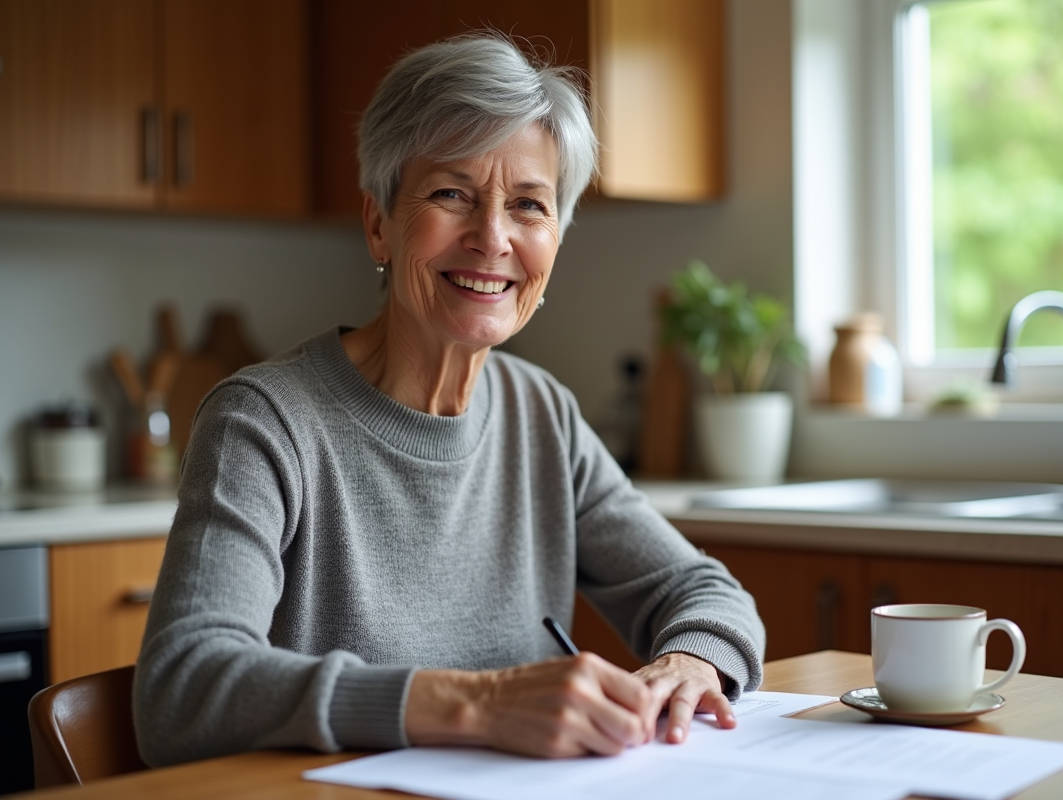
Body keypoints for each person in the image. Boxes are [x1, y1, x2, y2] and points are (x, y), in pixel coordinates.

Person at [133, 34, 765, 767]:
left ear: (554, 242)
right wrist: (480, 703)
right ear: (378, 223)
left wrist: (689, 663)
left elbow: (700, 588)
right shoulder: (263, 421)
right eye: (451, 194)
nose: (492, 237)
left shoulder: (542, 414)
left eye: (529, 206)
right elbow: (182, 688)